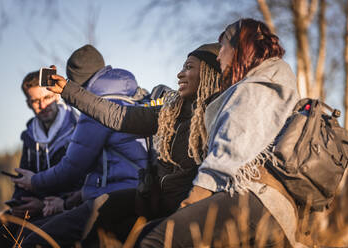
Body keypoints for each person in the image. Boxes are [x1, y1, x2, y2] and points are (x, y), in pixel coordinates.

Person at [135, 18, 306, 247]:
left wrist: (189, 205)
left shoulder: (255, 88)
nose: (219, 55)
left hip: (254, 201)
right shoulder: (276, 85)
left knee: (154, 240)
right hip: (275, 210)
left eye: (223, 45)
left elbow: (226, 156)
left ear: (240, 47)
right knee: (149, 232)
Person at [46, 43, 222, 244]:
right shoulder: (170, 112)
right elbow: (118, 115)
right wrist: (68, 89)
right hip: (152, 201)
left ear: (211, 72)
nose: (180, 74)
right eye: (182, 67)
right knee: (97, 210)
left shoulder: (221, 114)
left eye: (189, 67)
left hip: (186, 213)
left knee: (141, 239)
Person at [13, 44, 148, 247]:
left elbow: (71, 170)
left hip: (114, 198)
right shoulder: (132, 94)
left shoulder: (96, 109)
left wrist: (35, 182)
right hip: (138, 191)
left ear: (74, 84)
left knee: (34, 242)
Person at [0, 70, 80, 247]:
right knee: (2, 227)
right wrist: (20, 203)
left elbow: (81, 181)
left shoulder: (77, 128)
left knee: (30, 237)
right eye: (36, 101)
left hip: (67, 206)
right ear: (28, 103)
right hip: (38, 208)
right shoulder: (29, 136)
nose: (43, 105)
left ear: (57, 95)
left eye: (48, 97)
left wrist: (42, 204)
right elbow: (23, 179)